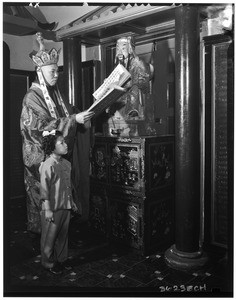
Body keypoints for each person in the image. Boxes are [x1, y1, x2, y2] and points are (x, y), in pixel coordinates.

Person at [20, 32, 94, 247]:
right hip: (40, 158)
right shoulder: (32, 97)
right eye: (52, 71)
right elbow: (40, 127)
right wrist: (73, 119)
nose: (56, 75)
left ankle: (56, 242)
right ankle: (46, 247)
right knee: (47, 207)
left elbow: (67, 113)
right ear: (40, 72)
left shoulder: (53, 95)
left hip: (57, 156)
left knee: (61, 206)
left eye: (57, 71)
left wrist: (83, 117)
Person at [39, 130, 76, 275]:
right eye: (62, 143)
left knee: (63, 235)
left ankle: (62, 259)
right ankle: (48, 263)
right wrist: (47, 209)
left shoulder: (66, 163)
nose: (66, 145)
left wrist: (71, 202)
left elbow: (68, 185)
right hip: (52, 209)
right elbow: (44, 189)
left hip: (65, 206)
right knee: (49, 237)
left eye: (65, 141)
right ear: (52, 147)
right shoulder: (48, 165)